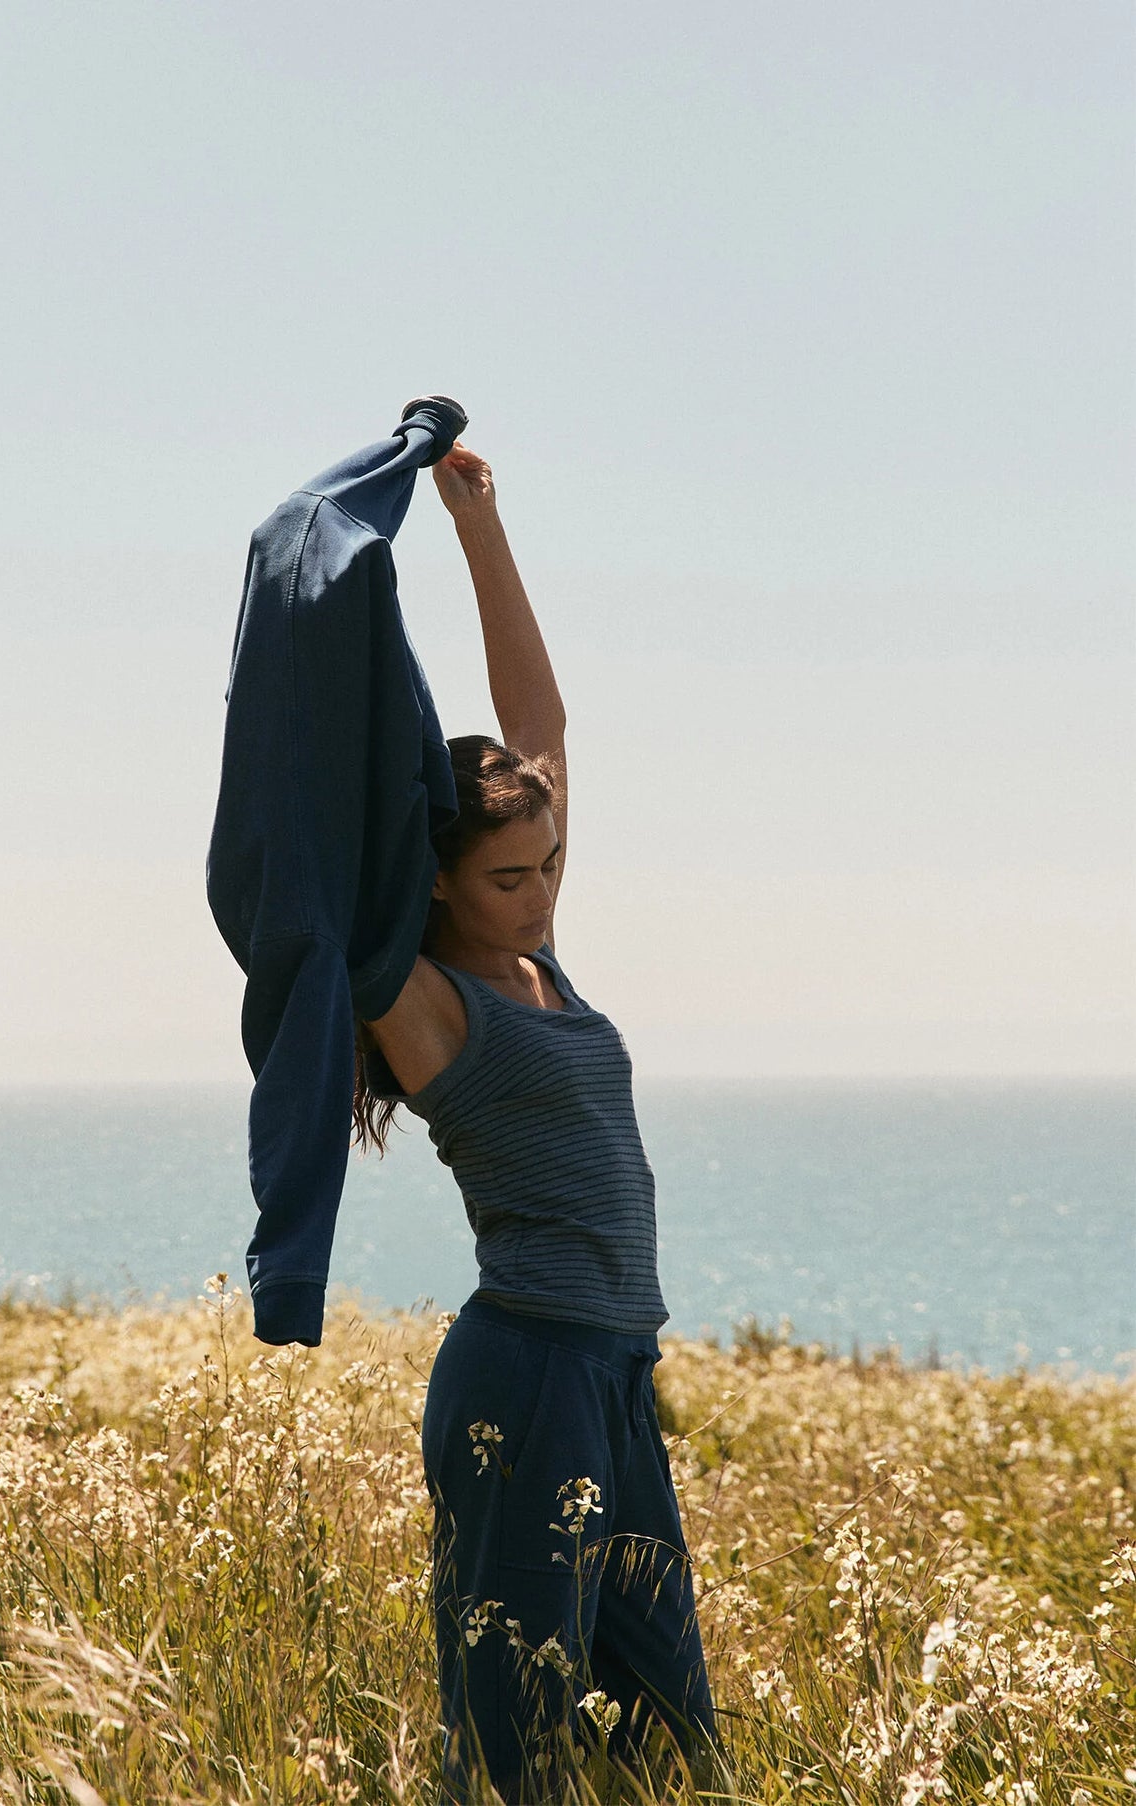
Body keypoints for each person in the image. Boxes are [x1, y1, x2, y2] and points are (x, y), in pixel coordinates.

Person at [354, 442, 731, 1803]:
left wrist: (478, 530)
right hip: (526, 1378)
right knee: (515, 1748)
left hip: (617, 1375)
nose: (537, 887)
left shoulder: (538, 954)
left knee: (667, 1751)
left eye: (549, 863)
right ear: (441, 883)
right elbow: (322, 854)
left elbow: (539, 726)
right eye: (507, 873)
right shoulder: (424, 1000)